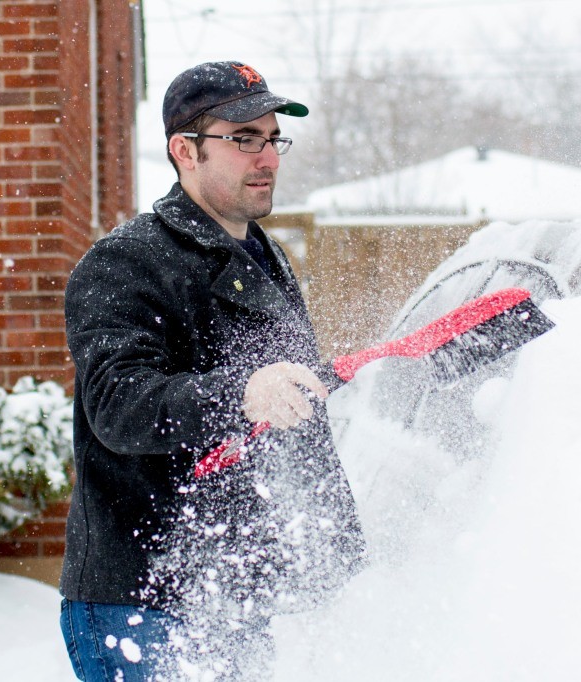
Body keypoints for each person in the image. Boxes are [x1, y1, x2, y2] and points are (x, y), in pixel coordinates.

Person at [58, 61, 365, 681]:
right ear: (185, 151)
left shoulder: (265, 256)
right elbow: (118, 404)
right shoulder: (125, 261)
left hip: (243, 594)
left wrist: (340, 555)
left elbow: (287, 417)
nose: (269, 157)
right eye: (243, 138)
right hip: (145, 601)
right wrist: (244, 393)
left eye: (273, 138)